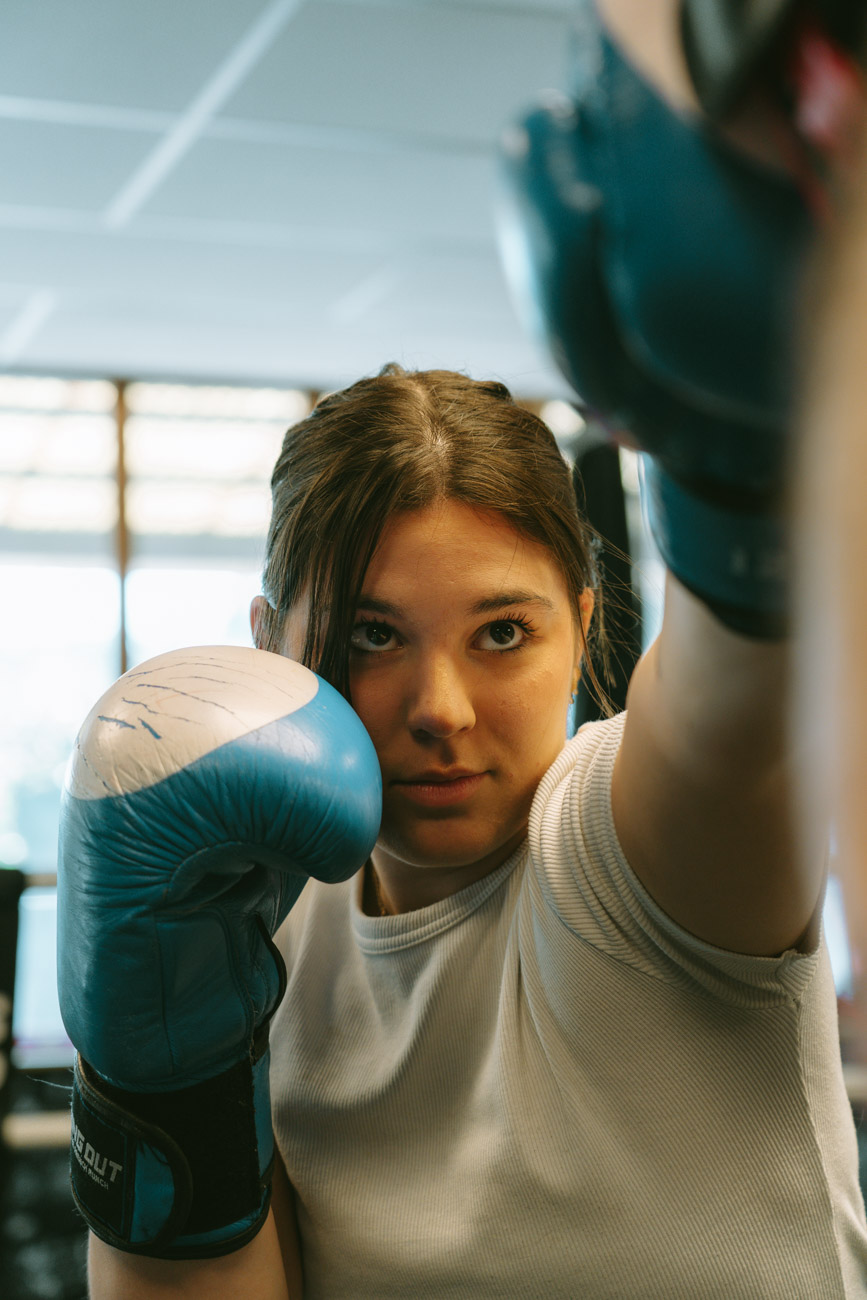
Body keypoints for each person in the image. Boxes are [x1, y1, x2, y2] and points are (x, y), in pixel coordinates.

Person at [66, 2, 867, 1297]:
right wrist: (162, 1075)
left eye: (503, 633)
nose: (438, 706)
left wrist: (742, 462)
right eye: (372, 636)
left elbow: (733, 716)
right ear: (272, 647)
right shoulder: (253, 931)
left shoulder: (630, 854)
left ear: (587, 632)